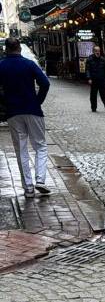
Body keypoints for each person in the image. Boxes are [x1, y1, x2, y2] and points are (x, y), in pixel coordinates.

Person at [0, 37, 51, 198]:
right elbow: (45, 83)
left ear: (6, 49)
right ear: (19, 48)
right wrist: (38, 101)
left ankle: (28, 187)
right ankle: (40, 180)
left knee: (21, 149)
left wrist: (5, 102)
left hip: (13, 112)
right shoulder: (29, 64)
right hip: (33, 109)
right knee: (40, 146)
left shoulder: (1, 66)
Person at [85, 46, 105, 113]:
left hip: (101, 79)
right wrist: (89, 78)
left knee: (103, 94)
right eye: (96, 51)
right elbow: (87, 70)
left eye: (99, 51)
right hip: (94, 80)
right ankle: (93, 107)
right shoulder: (89, 59)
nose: (98, 52)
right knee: (93, 95)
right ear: (93, 51)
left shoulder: (103, 60)